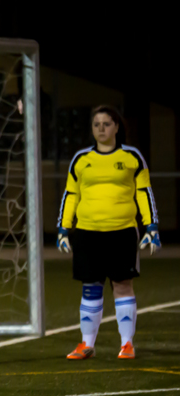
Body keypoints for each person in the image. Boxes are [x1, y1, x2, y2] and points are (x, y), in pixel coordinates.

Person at [57, 105, 160, 360]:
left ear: (116, 127)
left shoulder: (131, 157)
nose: (100, 129)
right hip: (87, 232)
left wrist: (152, 226)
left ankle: (127, 344)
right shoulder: (81, 160)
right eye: (96, 125)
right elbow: (71, 195)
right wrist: (63, 228)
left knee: (122, 286)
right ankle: (86, 344)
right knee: (90, 288)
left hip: (121, 232)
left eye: (106, 124)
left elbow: (144, 192)